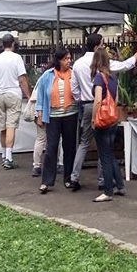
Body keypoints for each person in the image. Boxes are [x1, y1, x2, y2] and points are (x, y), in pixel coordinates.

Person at [70, 34, 137, 191]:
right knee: (103, 146)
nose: (105, 46)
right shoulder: (106, 65)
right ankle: (102, 180)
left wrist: (82, 99)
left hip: (85, 105)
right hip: (102, 107)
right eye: (103, 44)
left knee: (84, 142)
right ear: (97, 46)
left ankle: (74, 177)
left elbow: (74, 89)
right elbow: (125, 65)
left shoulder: (77, 64)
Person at [36, 48, 78, 193]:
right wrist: (40, 114)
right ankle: (46, 181)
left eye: (70, 58)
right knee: (51, 147)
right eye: (66, 58)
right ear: (59, 60)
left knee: (69, 147)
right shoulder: (47, 76)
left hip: (70, 114)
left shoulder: (73, 74)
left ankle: (68, 178)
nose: (69, 61)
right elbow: (40, 96)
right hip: (53, 116)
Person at [0, 34, 31, 169]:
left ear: (2, 44)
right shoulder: (17, 58)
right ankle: (9, 157)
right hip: (13, 94)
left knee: (2, 127)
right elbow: (22, 79)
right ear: (12, 44)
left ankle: (3, 155)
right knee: (11, 126)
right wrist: (29, 96)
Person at [90, 48, 126, 202]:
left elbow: (98, 100)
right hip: (112, 120)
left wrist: (93, 119)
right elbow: (116, 99)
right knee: (110, 153)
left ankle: (108, 191)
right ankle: (120, 185)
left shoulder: (99, 78)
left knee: (104, 156)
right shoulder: (113, 77)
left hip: (102, 122)